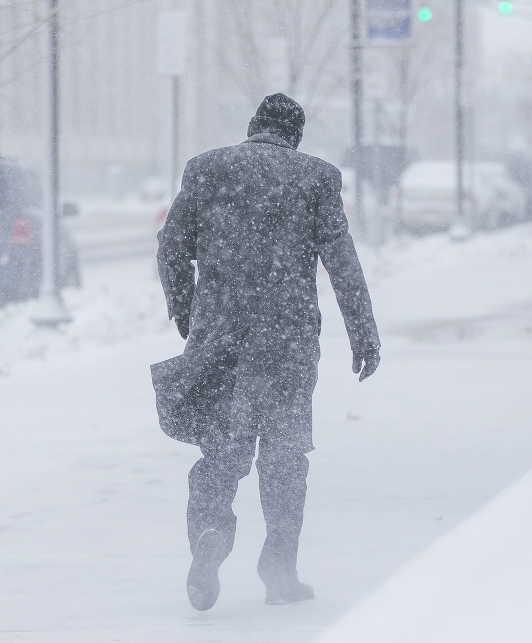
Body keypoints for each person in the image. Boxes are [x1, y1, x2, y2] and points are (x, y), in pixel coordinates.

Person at [152, 93, 380, 612]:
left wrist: (186, 308)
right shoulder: (316, 177)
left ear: (252, 126)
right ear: (294, 136)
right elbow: (341, 261)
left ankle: (210, 534)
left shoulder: (206, 168)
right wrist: (364, 333)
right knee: (284, 457)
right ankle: (279, 569)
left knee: (223, 452)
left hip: (222, 339)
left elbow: (170, 245)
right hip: (287, 343)